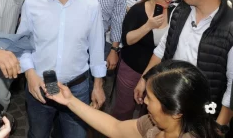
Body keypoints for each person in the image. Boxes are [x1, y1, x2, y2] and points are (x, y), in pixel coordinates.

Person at [134, 0, 233, 133]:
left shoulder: (230, 27)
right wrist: (145, 78)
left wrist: (218, 128)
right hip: (168, 105)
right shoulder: (180, 11)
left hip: (204, 115)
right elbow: (163, 48)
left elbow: (232, 87)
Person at [17, 0, 106, 138]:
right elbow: (22, 44)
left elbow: (97, 50)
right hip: (39, 86)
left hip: (77, 89)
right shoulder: (32, 3)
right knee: (37, 134)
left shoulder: (90, 6)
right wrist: (30, 75)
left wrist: (98, 86)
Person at [47, 60, 222, 138]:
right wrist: (70, 100)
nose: (144, 101)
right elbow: (116, 128)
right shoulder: (155, 124)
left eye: (151, 98)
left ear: (176, 111)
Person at [111, 0, 177, 120]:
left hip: (157, 74)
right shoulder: (138, 10)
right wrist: (148, 26)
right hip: (131, 70)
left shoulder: (174, 13)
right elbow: (127, 40)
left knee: (149, 114)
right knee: (124, 109)